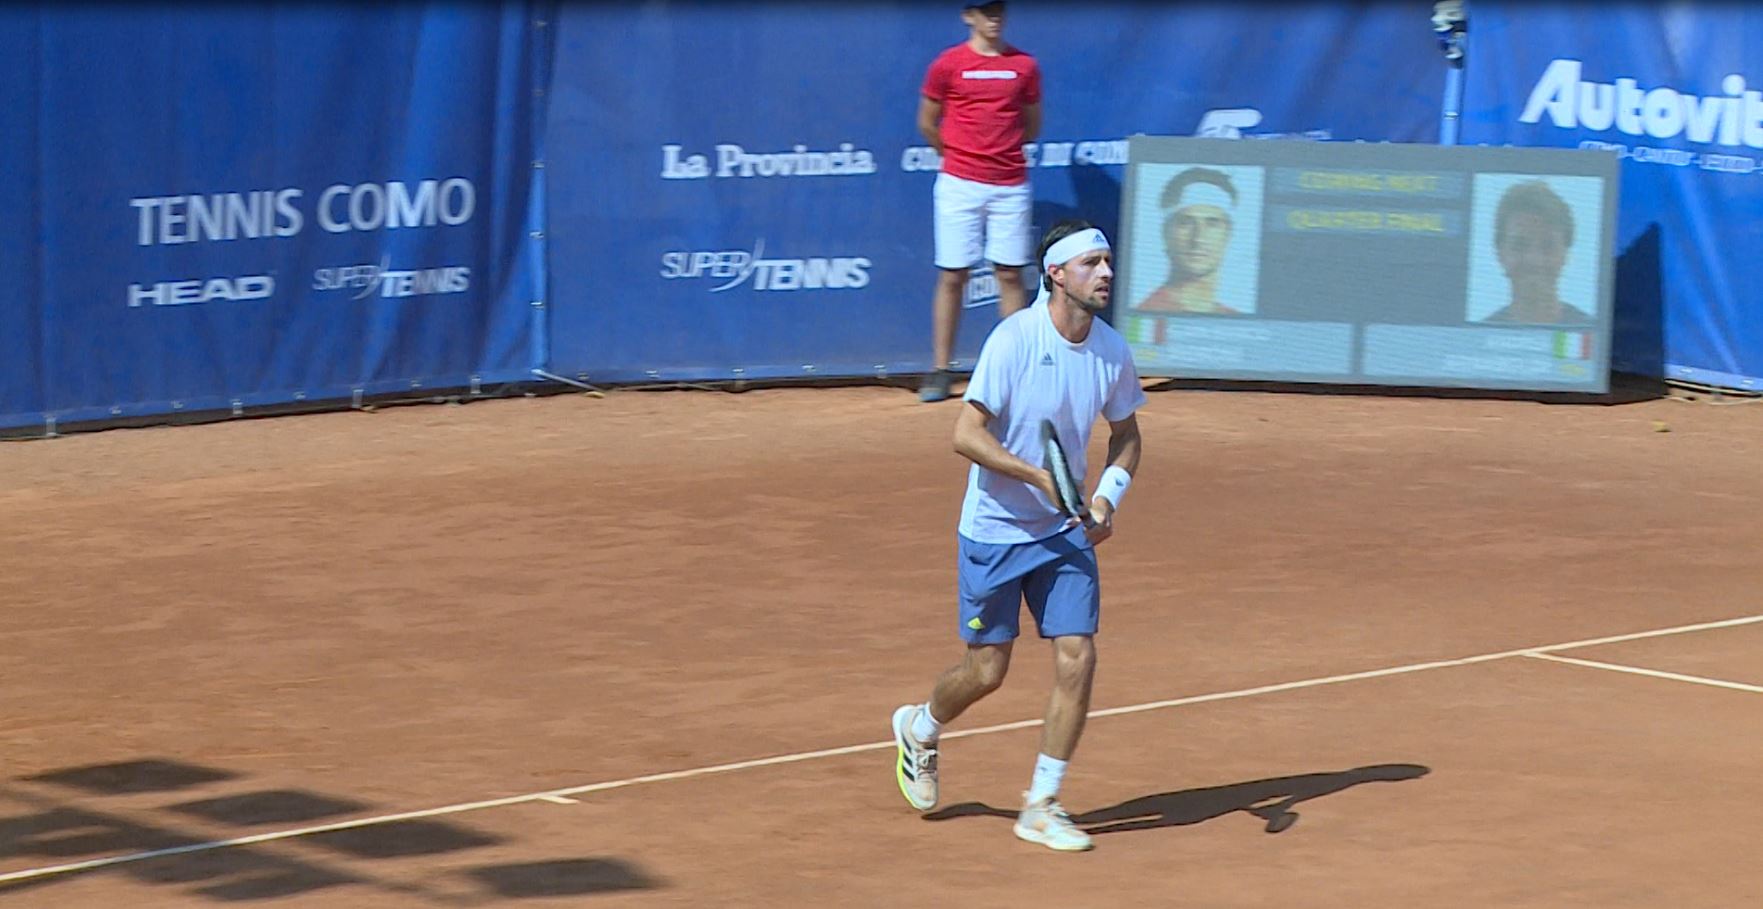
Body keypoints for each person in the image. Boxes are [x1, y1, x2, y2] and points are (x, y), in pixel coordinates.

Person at [891, 220, 1146, 852]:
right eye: (1092, 263)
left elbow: (1128, 435)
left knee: (1077, 653)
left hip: (1063, 533)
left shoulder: (1112, 350)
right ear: (1057, 274)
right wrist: (1036, 474)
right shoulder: (1014, 339)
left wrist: (1106, 500)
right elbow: (966, 435)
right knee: (987, 671)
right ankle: (921, 727)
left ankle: (1041, 803)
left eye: (1109, 262)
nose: (1107, 273)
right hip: (996, 531)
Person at [916, 0, 1042, 403]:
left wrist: (1001, 154)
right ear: (968, 16)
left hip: (1010, 186)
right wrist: (957, 156)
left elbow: (1032, 124)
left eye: (999, 10)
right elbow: (927, 121)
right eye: (985, 10)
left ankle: (1018, 372)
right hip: (959, 185)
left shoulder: (1024, 66)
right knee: (953, 275)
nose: (994, 18)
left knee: (1009, 275)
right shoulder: (947, 64)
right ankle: (940, 370)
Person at [1479, 179, 1593, 325]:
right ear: (1500, 253)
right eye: (1520, 245)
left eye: (1548, 246)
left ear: (1566, 254)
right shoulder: (1479, 334)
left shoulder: (1591, 330)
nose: (1534, 260)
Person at [1134, 167, 1243, 316]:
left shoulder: (1233, 318)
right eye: (1185, 223)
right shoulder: (1147, 312)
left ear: (1228, 234)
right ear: (1166, 233)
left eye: (1212, 223)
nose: (1198, 238)